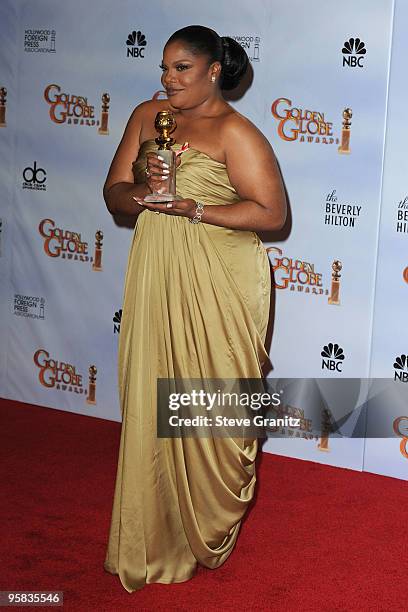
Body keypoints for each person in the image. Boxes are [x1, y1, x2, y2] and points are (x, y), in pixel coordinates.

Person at [102, 25, 287, 593]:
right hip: (157, 270)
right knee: (150, 390)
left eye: (181, 68)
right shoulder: (144, 116)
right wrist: (144, 194)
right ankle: (153, 536)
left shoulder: (237, 132)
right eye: (164, 69)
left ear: (214, 71)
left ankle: (206, 521)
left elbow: (272, 216)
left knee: (215, 400)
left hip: (219, 278)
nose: (167, 79)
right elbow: (113, 193)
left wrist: (193, 207)